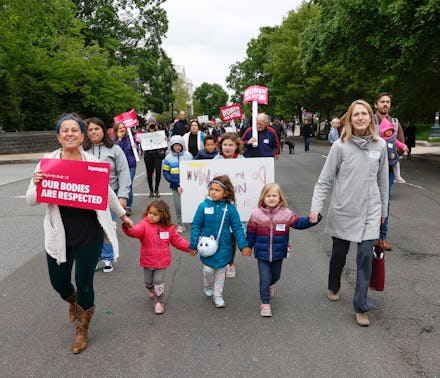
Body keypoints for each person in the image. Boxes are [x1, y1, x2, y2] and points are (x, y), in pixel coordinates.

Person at [26, 113, 133, 354]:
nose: (70, 134)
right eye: (65, 130)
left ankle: (82, 329)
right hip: (58, 233)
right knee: (59, 282)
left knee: (85, 282)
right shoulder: (47, 163)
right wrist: (37, 181)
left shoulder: (92, 165)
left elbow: (108, 194)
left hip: (88, 233)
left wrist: (124, 216)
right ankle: (73, 302)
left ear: (82, 135)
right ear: (58, 136)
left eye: (75, 130)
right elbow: (31, 200)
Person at [309, 100, 388, 327]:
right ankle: (334, 284)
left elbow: (383, 182)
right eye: (356, 115)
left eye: (364, 114)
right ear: (350, 119)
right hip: (344, 210)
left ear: (370, 117)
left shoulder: (380, 145)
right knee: (339, 255)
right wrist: (316, 207)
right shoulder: (340, 146)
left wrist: (383, 210)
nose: (360, 117)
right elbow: (324, 181)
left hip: (370, 211)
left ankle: (361, 305)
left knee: (365, 258)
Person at [245, 183, 320, 317]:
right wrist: (248, 247)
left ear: (280, 198)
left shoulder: (286, 214)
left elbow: (299, 223)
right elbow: (250, 232)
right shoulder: (256, 215)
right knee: (264, 278)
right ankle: (265, 303)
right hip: (262, 253)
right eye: (268, 196)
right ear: (263, 198)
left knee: (275, 276)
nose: (271, 198)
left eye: (274, 195)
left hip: (279, 252)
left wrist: (312, 220)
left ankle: (272, 284)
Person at [122, 199, 197, 314]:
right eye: (149, 213)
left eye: (155, 214)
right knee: (148, 282)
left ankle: (159, 301)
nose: (151, 216)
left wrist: (189, 248)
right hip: (147, 260)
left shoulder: (169, 228)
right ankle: (150, 289)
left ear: (163, 215)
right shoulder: (144, 224)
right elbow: (135, 232)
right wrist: (128, 227)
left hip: (162, 261)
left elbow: (177, 241)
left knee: (158, 281)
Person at [190, 175, 251, 308]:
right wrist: (193, 244)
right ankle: (208, 284)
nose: (213, 192)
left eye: (217, 190)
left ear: (225, 193)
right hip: (207, 247)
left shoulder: (230, 208)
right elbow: (196, 226)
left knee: (221, 271)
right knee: (208, 270)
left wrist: (243, 246)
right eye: (211, 189)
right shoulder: (203, 206)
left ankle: (218, 295)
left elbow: (237, 228)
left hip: (224, 246)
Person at [83, 117, 131, 273]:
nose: (93, 132)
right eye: (90, 130)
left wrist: (123, 196)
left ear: (103, 130)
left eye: (96, 129)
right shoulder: (82, 151)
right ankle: (95, 257)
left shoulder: (115, 149)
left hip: (111, 194)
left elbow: (124, 172)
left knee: (108, 226)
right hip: (89, 196)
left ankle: (108, 257)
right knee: (91, 228)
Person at [373, 92, 405, 251]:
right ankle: (368, 233)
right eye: (382, 102)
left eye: (387, 102)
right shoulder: (369, 121)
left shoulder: (396, 122)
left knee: (385, 200)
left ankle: (381, 237)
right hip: (370, 167)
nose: (385, 104)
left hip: (388, 168)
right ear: (376, 104)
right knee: (369, 199)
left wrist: (394, 154)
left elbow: (401, 144)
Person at [214, 133, 246, 278]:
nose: (227, 148)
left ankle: (230, 263)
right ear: (221, 146)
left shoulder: (243, 161)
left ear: (237, 146)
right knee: (220, 235)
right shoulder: (215, 161)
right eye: (225, 145)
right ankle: (217, 261)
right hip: (219, 205)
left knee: (232, 236)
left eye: (231, 145)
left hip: (236, 206)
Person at [162, 135, 193, 234]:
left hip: (188, 186)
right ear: (171, 146)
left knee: (190, 204)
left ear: (182, 145)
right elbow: (166, 172)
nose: (177, 147)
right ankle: (180, 224)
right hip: (175, 186)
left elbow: (193, 169)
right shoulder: (168, 158)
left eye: (179, 145)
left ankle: (192, 222)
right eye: (175, 145)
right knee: (178, 206)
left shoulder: (189, 156)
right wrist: (173, 181)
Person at [113, 121, 137, 215]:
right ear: (116, 130)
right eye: (120, 128)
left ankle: (128, 206)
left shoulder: (130, 138)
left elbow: (133, 150)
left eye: (123, 127)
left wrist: (134, 146)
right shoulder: (114, 140)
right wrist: (119, 139)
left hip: (130, 165)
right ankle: (119, 204)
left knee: (128, 184)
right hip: (118, 166)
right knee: (119, 185)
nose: (122, 129)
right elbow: (117, 151)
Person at [142, 117, 167, 198]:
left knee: (158, 172)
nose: (152, 125)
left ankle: (156, 189)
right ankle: (151, 190)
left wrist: (164, 140)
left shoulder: (159, 133)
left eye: (153, 123)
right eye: (150, 123)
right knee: (149, 173)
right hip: (148, 155)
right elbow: (141, 144)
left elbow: (164, 144)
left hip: (157, 155)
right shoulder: (145, 133)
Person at [379, 118, 409, 184]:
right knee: (383, 169)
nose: (389, 132)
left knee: (396, 164)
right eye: (387, 131)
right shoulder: (381, 140)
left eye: (391, 130)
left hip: (393, 156)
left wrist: (404, 147)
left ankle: (397, 176)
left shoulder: (393, 139)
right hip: (384, 158)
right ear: (383, 131)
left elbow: (399, 144)